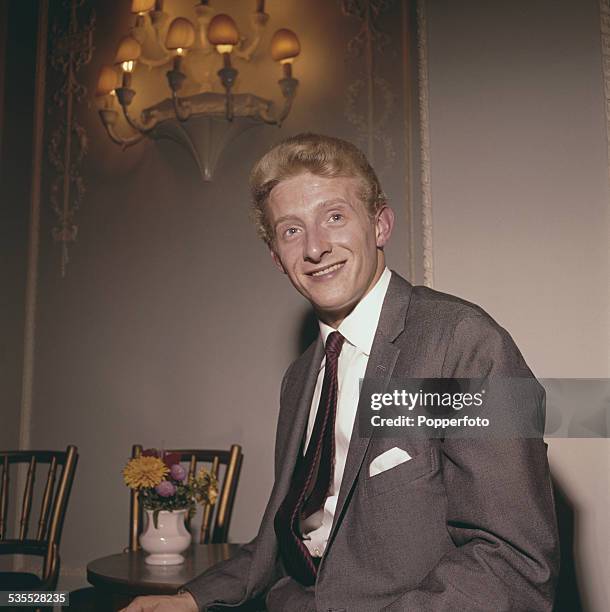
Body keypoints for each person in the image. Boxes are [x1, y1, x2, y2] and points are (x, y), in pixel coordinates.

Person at [122, 133, 559, 611]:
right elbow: (289, 536)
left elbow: (513, 562)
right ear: (276, 258)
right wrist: (190, 599)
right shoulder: (300, 378)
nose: (315, 248)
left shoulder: (464, 342)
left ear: (380, 225)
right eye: (291, 230)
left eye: (334, 217)